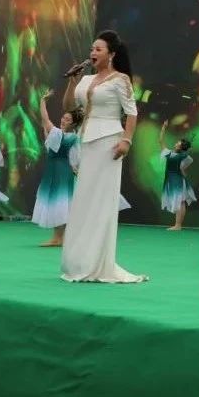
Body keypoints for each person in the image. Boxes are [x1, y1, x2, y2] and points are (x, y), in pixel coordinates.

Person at [60, 30, 146, 283]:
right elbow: (69, 107)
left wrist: (126, 141)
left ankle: (96, 262)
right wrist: (72, 81)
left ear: (111, 54)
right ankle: (78, 260)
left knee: (100, 201)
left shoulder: (120, 80)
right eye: (92, 49)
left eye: (98, 49)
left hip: (109, 143)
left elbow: (132, 113)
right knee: (83, 199)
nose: (92, 53)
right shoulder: (86, 79)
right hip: (87, 142)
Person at [33, 90, 82, 246]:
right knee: (64, 202)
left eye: (67, 119)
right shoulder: (72, 137)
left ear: (73, 123)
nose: (63, 120)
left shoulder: (60, 134)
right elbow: (75, 157)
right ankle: (61, 237)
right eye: (63, 117)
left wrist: (42, 101)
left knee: (58, 201)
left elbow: (45, 119)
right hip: (62, 170)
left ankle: (57, 238)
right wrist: (74, 168)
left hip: (57, 170)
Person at [158, 121, 196, 231]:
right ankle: (177, 225)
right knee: (179, 201)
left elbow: (184, 166)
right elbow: (160, 141)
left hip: (178, 181)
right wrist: (163, 127)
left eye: (179, 143)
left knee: (180, 201)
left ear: (181, 147)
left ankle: (178, 225)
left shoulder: (183, 156)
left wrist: (182, 169)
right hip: (171, 180)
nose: (176, 143)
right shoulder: (169, 153)